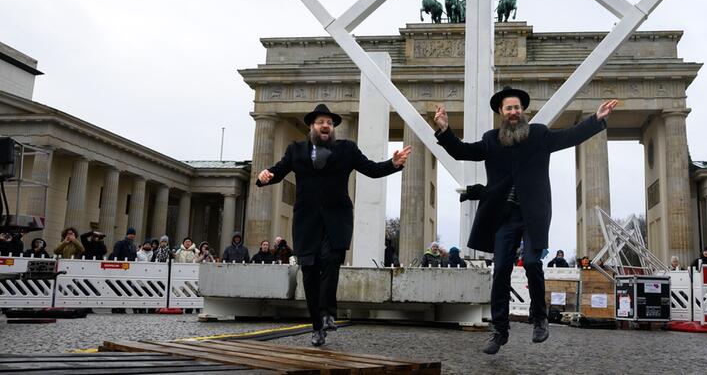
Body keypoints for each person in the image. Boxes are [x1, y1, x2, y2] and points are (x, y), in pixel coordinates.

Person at [433, 87, 617, 354]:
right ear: (501, 112)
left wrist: (596, 119)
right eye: (509, 108)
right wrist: (445, 130)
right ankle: (499, 331)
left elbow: (569, 136)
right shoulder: (491, 140)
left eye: (517, 108)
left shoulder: (539, 135)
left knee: (532, 262)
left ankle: (539, 318)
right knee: (501, 273)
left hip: (533, 214)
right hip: (503, 216)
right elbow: (462, 151)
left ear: (523, 111)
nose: (514, 112)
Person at [256, 102, 410, 347]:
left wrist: (393, 164)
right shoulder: (295, 150)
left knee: (330, 261)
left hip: (337, 219)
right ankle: (317, 326)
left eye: (329, 122)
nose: (326, 125)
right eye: (321, 122)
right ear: (311, 126)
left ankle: (328, 313)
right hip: (306, 221)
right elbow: (278, 171)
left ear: (333, 127)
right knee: (309, 274)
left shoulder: (347, 149)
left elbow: (371, 169)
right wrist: (264, 177)